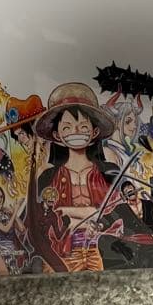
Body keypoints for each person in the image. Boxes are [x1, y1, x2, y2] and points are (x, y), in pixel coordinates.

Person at [27, 82, 118, 273]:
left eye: (82, 126)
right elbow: (46, 217)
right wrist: (87, 213)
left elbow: (114, 212)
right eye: (67, 128)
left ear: (94, 132)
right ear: (57, 135)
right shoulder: (48, 176)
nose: (76, 132)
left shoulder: (108, 172)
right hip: (62, 253)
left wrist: (72, 213)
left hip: (98, 250)